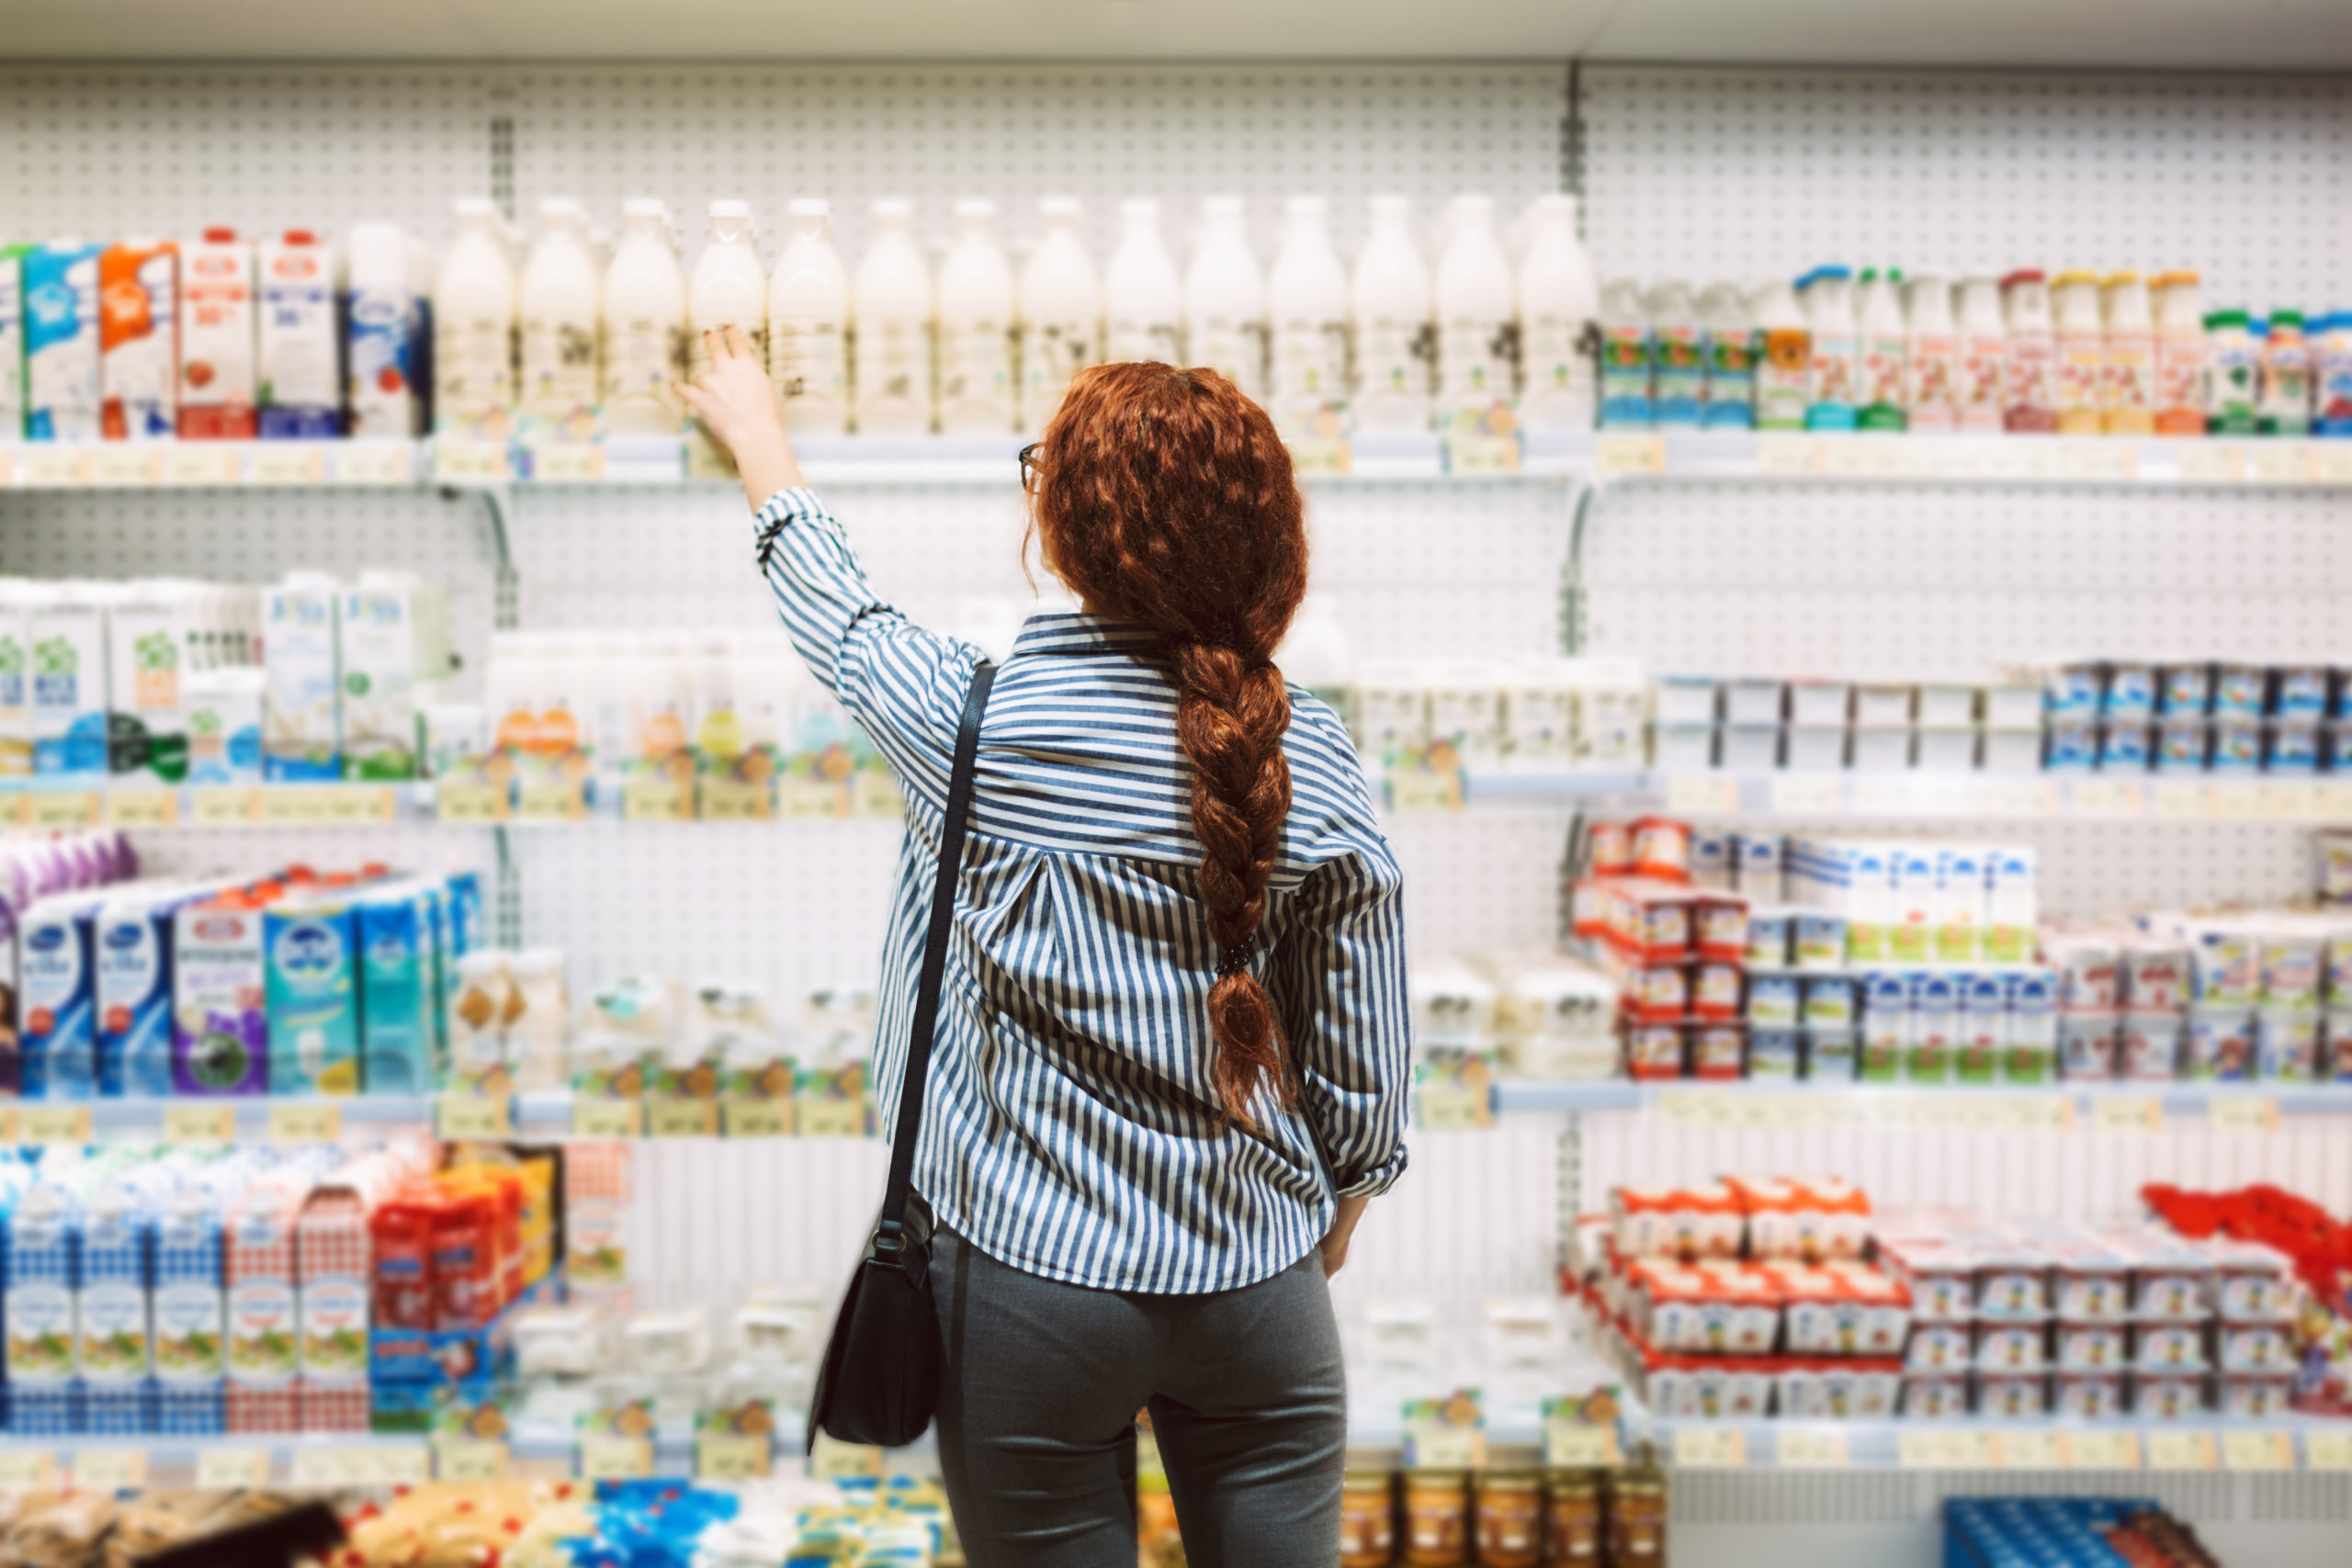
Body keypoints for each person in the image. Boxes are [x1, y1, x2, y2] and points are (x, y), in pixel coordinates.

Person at [680, 327, 1412, 1567]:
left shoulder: (969, 727)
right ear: (1266, 535)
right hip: (1258, 1278)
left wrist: (759, 436)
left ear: (1065, 529)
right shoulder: (1308, 751)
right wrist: (1346, 1189)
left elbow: (838, 612)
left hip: (1029, 1277)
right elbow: (1359, 1026)